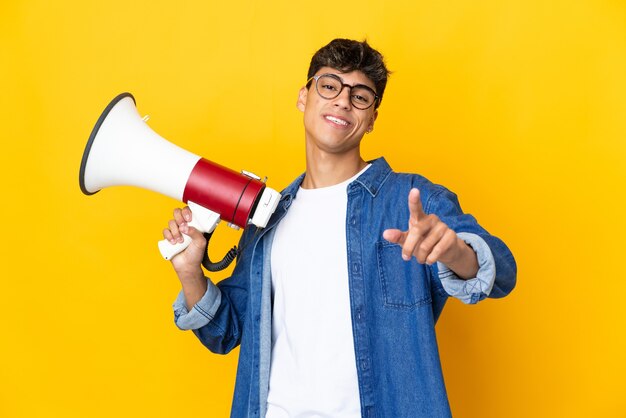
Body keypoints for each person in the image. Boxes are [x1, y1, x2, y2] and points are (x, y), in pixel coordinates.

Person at [163, 39, 517, 418]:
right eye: (329, 86)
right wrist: (189, 272)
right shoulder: (266, 218)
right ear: (304, 97)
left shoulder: (412, 199)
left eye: (360, 96)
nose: (343, 101)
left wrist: (453, 251)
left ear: (372, 118)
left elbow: (501, 273)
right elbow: (227, 333)